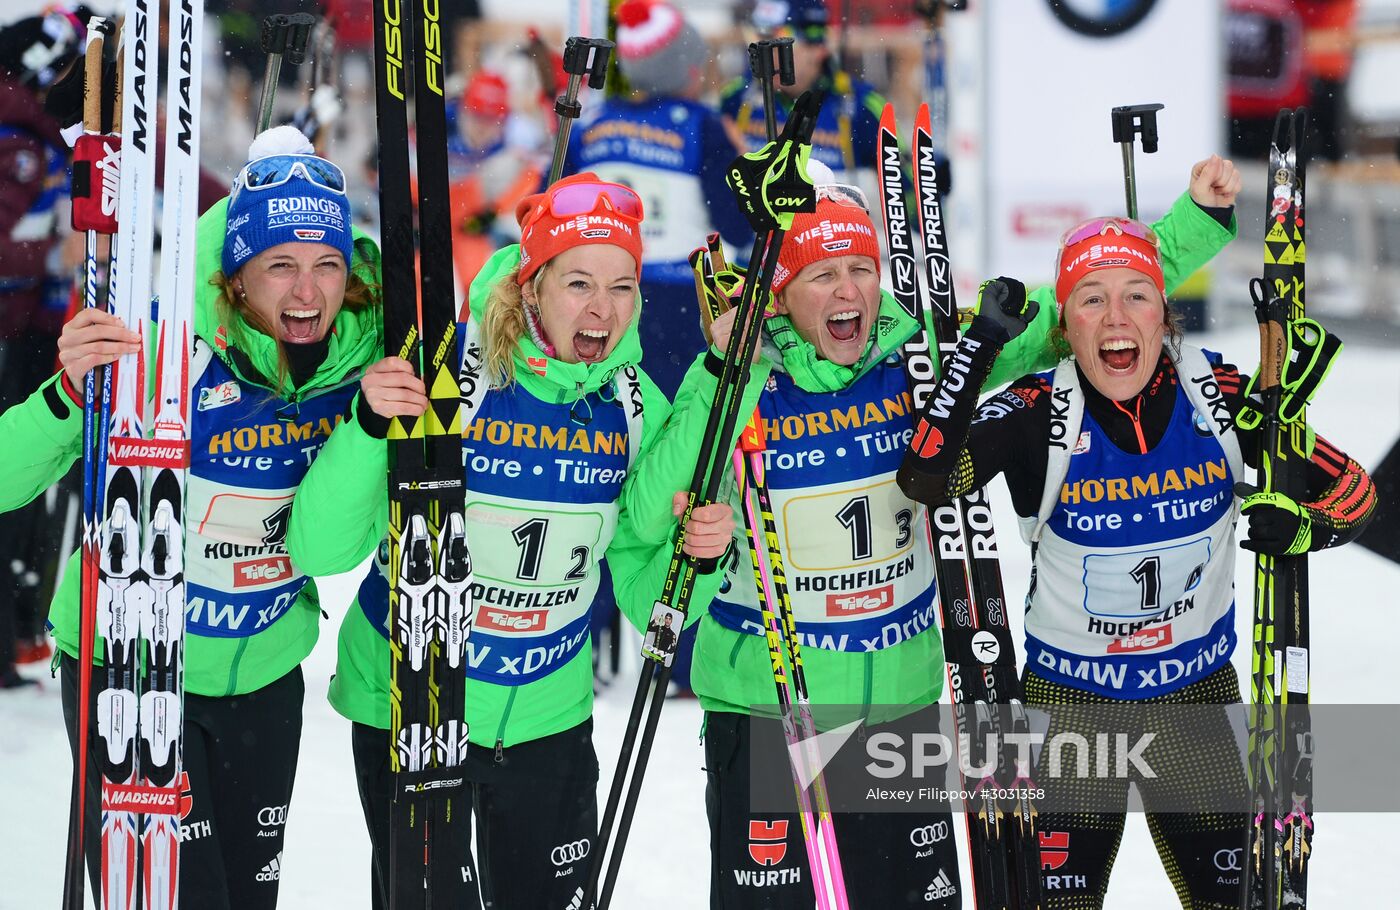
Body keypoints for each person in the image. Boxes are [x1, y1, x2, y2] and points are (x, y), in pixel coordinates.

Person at [623, 155, 1242, 908]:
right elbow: (646, 508)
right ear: (781, 294)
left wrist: (1188, 227)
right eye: (822, 275)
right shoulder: (743, 376)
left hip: (900, 712)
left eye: (860, 267)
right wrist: (726, 364)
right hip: (769, 712)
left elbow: (1072, 313)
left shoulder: (917, 362)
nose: (847, 289)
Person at [897, 217, 1376, 909]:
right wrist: (979, 347)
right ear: (1065, 324)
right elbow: (927, 476)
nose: (1115, 317)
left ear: (1164, 313)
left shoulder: (1222, 397)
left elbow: (1355, 496)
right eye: (1091, 297)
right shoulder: (1040, 409)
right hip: (1069, 708)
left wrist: (1302, 531)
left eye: (1136, 295)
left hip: (1195, 701)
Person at [284, 173, 734, 910]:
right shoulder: (451, 375)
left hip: (548, 718)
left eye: (622, 287)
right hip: (413, 702)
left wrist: (699, 559)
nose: (603, 309)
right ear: (532, 284)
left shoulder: (631, 407)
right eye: (579, 282)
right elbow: (317, 549)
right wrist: (370, 428)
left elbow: (643, 592)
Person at [0, 125, 379, 908]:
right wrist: (68, 393)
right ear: (237, 278)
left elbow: (329, 545)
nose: (306, 293)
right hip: (133, 660)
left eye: (326, 267)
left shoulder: (363, 369)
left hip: (267, 674)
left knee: (244, 898)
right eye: (280, 267)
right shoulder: (160, 345)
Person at [0, 8, 86, 689]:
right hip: (18, 337)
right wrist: (51, 247)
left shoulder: (43, 134)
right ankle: (11, 633)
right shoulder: (18, 139)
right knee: (20, 490)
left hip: (43, 332)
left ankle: (22, 630)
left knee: (41, 492)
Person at [720, 0, 889, 193]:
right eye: (755, 38)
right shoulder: (735, 98)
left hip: (834, 221)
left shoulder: (863, 106)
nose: (763, 53)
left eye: (776, 41)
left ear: (818, 48)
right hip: (757, 222)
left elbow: (904, 197)